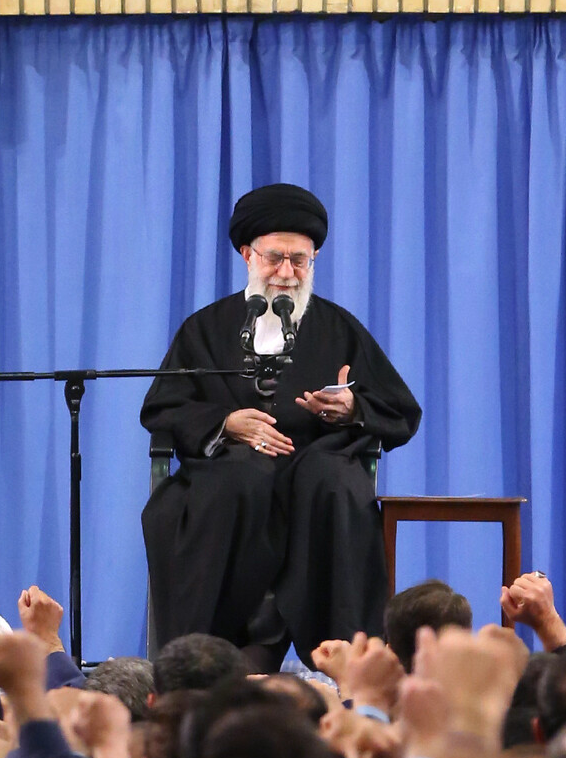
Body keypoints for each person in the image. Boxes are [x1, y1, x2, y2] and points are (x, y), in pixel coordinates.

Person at [142, 183, 421, 669]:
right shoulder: (204, 328)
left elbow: (400, 409)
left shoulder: (339, 328)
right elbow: (163, 408)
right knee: (239, 479)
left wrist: (351, 407)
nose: (287, 273)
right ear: (248, 255)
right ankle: (207, 661)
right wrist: (226, 422)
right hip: (228, 475)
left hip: (316, 468)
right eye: (275, 258)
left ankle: (344, 660)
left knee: (333, 485)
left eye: (300, 261)